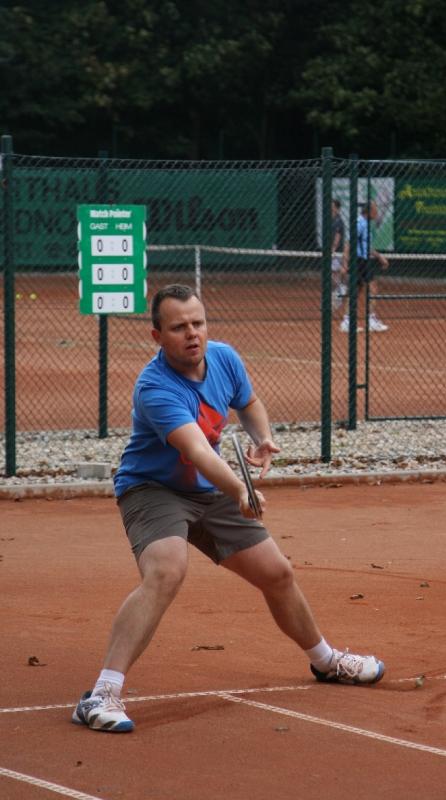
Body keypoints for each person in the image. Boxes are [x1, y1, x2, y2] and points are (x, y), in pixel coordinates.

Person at [72, 284, 385, 733]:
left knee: (277, 573)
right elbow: (198, 451)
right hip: (153, 489)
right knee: (166, 571)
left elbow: (249, 402)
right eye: (179, 327)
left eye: (197, 323)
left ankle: (326, 660)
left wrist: (263, 438)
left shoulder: (224, 358)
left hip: (210, 489)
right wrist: (240, 488)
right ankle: (101, 694)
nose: (192, 334)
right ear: (157, 336)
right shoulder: (155, 387)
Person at [339, 200, 389, 333]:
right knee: (370, 288)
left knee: (357, 291)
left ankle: (349, 321)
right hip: (358, 261)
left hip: (364, 261)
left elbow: (367, 247)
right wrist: (344, 263)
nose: (377, 212)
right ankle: (364, 320)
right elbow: (348, 243)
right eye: (375, 210)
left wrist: (380, 257)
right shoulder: (359, 223)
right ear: (369, 211)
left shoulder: (365, 224)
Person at [330, 198, 346, 311]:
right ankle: (340, 291)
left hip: (337, 252)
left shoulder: (338, 221)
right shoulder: (332, 220)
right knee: (334, 273)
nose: (330, 207)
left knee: (334, 273)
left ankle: (340, 291)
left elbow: (337, 236)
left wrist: (333, 249)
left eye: (332, 206)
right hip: (334, 252)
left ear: (337, 208)